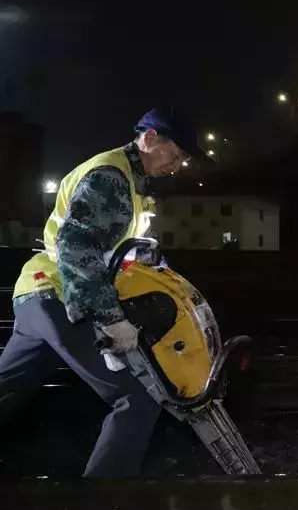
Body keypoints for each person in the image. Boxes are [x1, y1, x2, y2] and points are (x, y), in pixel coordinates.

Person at [0, 108, 209, 477]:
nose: (179, 165)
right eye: (176, 154)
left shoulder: (130, 183)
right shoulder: (111, 177)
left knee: (8, 388)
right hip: (59, 296)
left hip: (37, 294)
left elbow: (124, 257)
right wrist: (110, 319)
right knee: (139, 398)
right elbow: (77, 245)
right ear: (150, 139)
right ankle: (101, 509)